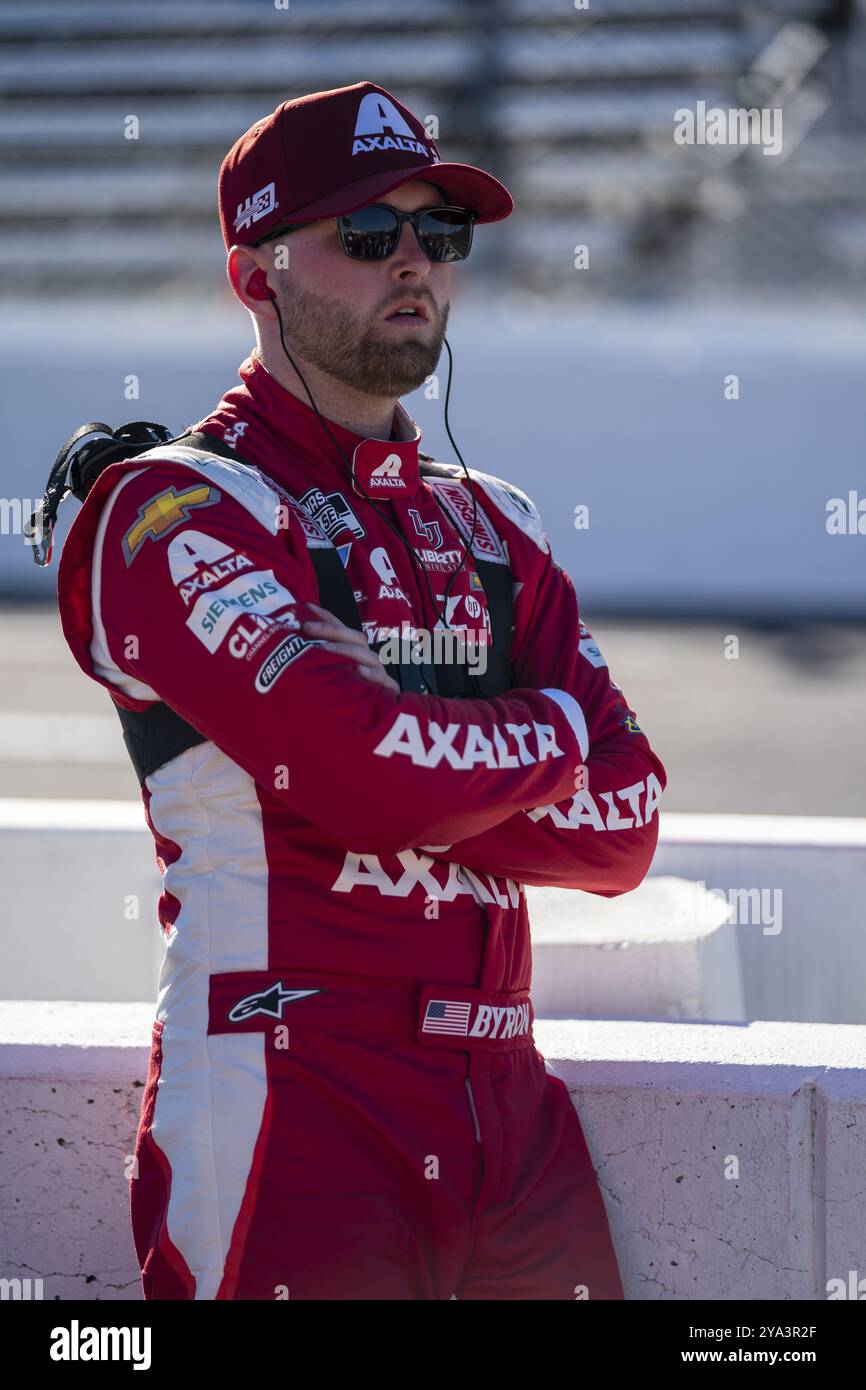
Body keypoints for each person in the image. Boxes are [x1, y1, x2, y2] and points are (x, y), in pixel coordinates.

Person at [57, 80, 666, 1300]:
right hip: (293, 1100)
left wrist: (421, 741)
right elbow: (360, 774)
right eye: (367, 235)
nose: (415, 266)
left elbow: (626, 824)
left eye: (440, 236)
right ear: (255, 272)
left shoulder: (495, 519)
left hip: (509, 1109)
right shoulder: (174, 510)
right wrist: (545, 730)